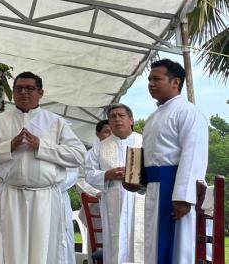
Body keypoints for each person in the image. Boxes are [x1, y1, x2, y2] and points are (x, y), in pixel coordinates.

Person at [0, 72, 86, 263]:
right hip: (11, 196)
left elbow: (78, 155)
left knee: (44, 251)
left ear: (40, 92)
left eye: (30, 88)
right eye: (18, 88)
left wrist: (42, 146)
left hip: (45, 197)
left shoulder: (56, 122)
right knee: (11, 251)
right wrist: (9, 146)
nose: (24, 92)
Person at [123, 59, 208, 263]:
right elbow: (153, 157)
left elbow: (193, 154)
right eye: (149, 79)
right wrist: (137, 180)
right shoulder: (154, 117)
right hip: (155, 189)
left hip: (174, 190)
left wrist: (183, 196)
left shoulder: (188, 112)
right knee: (153, 244)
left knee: (176, 247)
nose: (151, 84)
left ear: (175, 82)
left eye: (157, 79)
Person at [86, 104, 144, 263]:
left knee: (141, 241)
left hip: (141, 200)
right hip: (113, 201)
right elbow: (89, 174)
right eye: (113, 117)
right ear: (109, 122)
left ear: (131, 120)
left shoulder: (144, 141)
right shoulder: (99, 147)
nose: (117, 119)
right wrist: (107, 174)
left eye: (121, 115)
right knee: (116, 243)